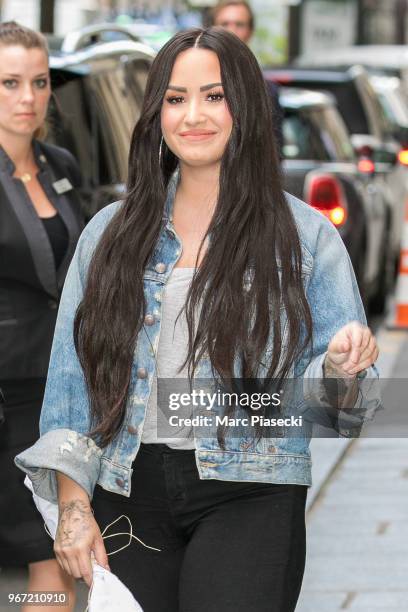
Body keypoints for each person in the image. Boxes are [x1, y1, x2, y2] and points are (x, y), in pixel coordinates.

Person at [15, 27, 379, 612]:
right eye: (175, 98)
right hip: (126, 493)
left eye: (214, 96)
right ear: (157, 111)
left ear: (246, 106)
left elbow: (337, 410)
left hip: (252, 492)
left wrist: (339, 365)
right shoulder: (108, 235)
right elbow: (71, 386)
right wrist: (74, 510)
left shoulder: (304, 237)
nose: (193, 116)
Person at [0, 21, 84, 612]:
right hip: (8, 401)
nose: (26, 98)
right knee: (46, 569)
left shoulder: (62, 165)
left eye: (38, 82)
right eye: (8, 83)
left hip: (64, 390)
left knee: (65, 563)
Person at [211, 0, 284, 153]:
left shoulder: (265, 90)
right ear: (212, 28)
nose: (232, 30)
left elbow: (273, 153)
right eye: (225, 23)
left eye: (239, 24)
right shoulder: (192, 78)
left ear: (250, 31)